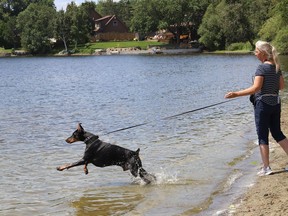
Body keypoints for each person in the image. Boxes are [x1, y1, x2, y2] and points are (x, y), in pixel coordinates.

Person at [225, 40, 288, 176]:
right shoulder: (276, 67)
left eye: (257, 51)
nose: (255, 54)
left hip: (263, 105)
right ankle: (267, 167)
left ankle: (266, 168)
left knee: (262, 136)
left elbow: (256, 88)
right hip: (275, 104)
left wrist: (236, 94)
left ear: (263, 53)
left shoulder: (261, 68)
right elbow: (282, 87)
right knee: (278, 133)